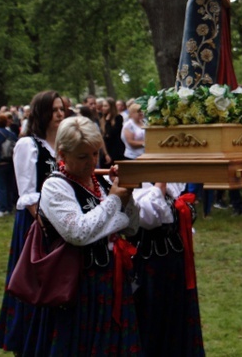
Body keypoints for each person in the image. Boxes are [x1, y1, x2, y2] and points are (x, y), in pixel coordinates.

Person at [30, 116, 140, 355]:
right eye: (82, 157)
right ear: (63, 155)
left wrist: (128, 195)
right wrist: (113, 200)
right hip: (77, 289)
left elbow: (131, 228)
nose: (91, 163)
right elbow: (78, 233)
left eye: (94, 154)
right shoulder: (54, 186)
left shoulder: (98, 181)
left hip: (110, 281)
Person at [0, 90, 65, 352]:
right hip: (38, 225)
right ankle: (27, 339)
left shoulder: (63, 145)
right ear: (42, 113)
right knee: (33, 282)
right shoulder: (28, 145)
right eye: (55, 109)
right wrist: (49, 226)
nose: (60, 114)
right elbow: (28, 194)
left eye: (62, 110)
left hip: (62, 223)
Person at [131, 181, 204, 355]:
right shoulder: (139, 187)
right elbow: (149, 219)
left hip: (175, 267)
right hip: (151, 270)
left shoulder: (173, 186)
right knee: (153, 324)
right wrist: (160, 185)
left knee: (176, 322)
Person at [99, 97, 126, 168]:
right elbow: (102, 136)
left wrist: (108, 122)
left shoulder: (118, 118)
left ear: (111, 107)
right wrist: (105, 154)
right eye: (103, 106)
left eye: (105, 106)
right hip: (105, 149)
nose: (103, 108)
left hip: (116, 149)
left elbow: (110, 134)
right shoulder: (101, 119)